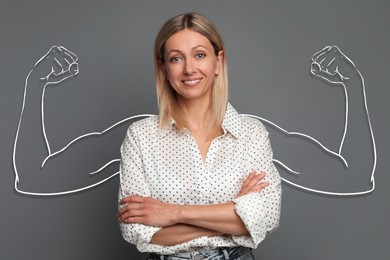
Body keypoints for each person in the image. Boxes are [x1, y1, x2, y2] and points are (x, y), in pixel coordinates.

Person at [117, 12, 282, 259]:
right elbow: (136, 230)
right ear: (163, 67)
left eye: (200, 55)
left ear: (218, 61)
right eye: (176, 59)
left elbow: (266, 216)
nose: (189, 69)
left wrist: (172, 213)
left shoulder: (251, 133)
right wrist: (234, 214)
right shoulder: (141, 136)